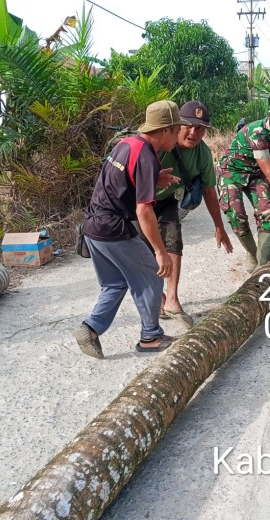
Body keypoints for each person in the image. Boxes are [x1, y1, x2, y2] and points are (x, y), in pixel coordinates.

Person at [74, 100, 188, 359]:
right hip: (113, 227)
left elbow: (121, 181)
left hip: (93, 226)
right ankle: (150, 336)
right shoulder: (146, 155)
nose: (179, 136)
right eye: (177, 129)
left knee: (115, 284)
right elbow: (144, 211)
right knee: (152, 272)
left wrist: (154, 178)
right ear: (166, 129)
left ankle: (89, 328)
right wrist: (160, 251)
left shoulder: (127, 144)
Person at [146, 101, 234, 326]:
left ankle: (172, 299)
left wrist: (219, 226)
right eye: (189, 126)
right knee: (145, 252)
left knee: (174, 242)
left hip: (164, 200)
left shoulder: (203, 153)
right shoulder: (157, 145)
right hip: (138, 202)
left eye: (201, 128)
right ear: (177, 126)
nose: (194, 132)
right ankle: (159, 297)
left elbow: (209, 191)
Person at [217, 96, 270, 271]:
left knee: (267, 215)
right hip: (232, 172)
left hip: (257, 173)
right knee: (237, 217)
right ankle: (253, 252)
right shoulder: (258, 133)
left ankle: (263, 268)